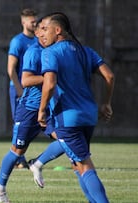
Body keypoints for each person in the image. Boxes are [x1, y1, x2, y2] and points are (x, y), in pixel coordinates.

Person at [38, 12, 114, 203]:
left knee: (85, 164)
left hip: (67, 118)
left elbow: (50, 83)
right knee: (77, 164)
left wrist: (42, 110)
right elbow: (110, 76)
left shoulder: (50, 52)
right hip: (89, 115)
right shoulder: (85, 51)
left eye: (46, 29)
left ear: (58, 30)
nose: (42, 33)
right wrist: (106, 102)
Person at [0, 18, 64, 203]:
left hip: (49, 109)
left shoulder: (55, 51)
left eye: (47, 29)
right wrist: (49, 78)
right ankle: (0, 188)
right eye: (42, 29)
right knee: (17, 150)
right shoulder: (34, 52)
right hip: (30, 110)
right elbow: (26, 80)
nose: (44, 33)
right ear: (38, 33)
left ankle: (37, 163)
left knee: (67, 140)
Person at [7, 8, 38, 169]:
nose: (35, 24)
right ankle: (18, 159)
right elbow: (11, 69)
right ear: (23, 22)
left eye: (36, 21)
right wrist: (19, 89)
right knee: (19, 123)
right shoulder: (18, 42)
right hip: (19, 88)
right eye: (32, 21)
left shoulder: (39, 40)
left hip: (35, 90)